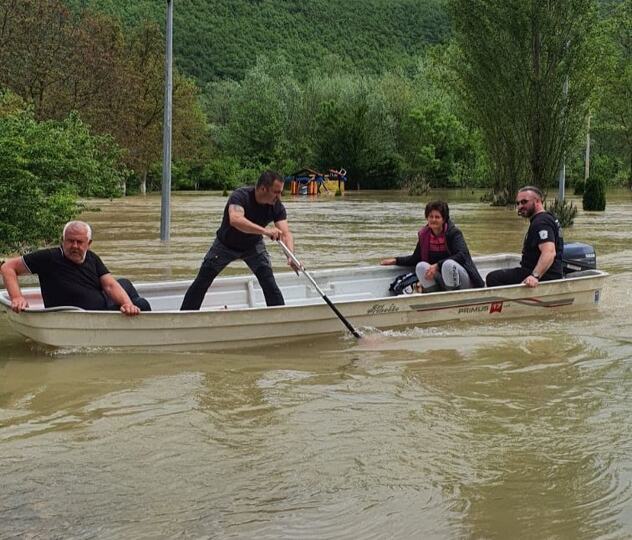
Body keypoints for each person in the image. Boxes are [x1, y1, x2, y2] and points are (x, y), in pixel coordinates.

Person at [180, 170, 297, 310]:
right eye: (276, 192)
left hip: (253, 246)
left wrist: (291, 255)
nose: (279, 196)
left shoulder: (276, 205)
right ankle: (185, 315)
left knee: (269, 282)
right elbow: (236, 220)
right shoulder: (240, 196)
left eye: (280, 192)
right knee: (202, 281)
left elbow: (285, 233)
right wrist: (265, 231)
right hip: (225, 245)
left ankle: (280, 317)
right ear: (263, 188)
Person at [0, 221, 150, 314]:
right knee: (141, 303)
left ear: (89, 243)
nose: (74, 246)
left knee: (125, 284)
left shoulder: (92, 257)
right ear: (62, 240)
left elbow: (110, 285)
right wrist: (17, 297)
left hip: (101, 305)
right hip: (85, 314)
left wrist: (127, 305)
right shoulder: (49, 258)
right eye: (70, 241)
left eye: (79, 242)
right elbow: (8, 267)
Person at [380, 200, 484, 292]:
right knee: (421, 266)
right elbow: (415, 258)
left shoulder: (453, 233)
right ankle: (434, 295)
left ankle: (453, 296)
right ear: (427, 218)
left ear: (444, 219)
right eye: (431, 216)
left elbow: (462, 255)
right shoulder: (424, 235)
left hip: (463, 281)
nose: (433, 220)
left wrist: (437, 265)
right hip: (443, 281)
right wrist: (395, 260)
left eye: (437, 217)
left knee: (448, 264)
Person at [485, 185, 563, 288]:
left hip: (545, 276)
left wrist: (535, 276)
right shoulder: (547, 218)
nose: (520, 206)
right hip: (542, 272)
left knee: (493, 277)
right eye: (518, 203)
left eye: (524, 202)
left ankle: (512, 303)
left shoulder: (541, 222)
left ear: (537, 201)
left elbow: (549, 252)